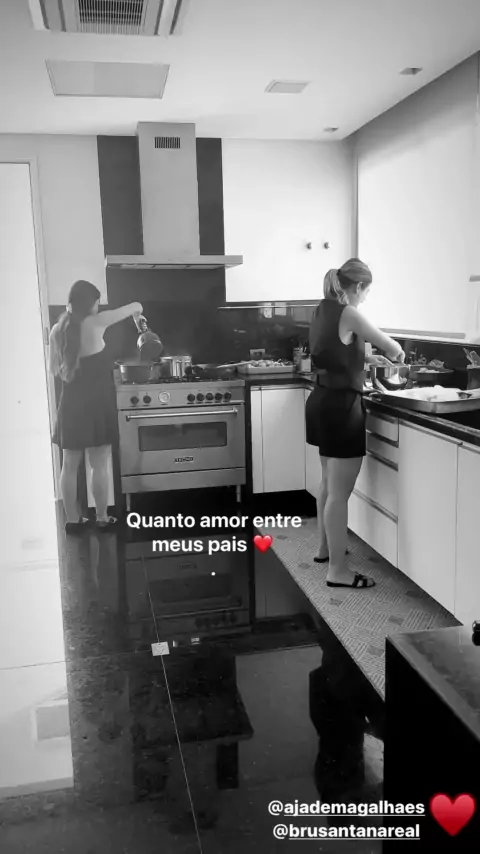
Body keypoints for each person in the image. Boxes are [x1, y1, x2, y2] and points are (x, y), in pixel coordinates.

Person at [305, 259, 405, 589]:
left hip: (321, 401)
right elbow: (392, 346)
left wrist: (364, 358)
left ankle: (324, 549)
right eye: (367, 291)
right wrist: (397, 355)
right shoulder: (349, 312)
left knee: (327, 484)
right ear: (358, 287)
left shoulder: (321, 310)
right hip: (342, 407)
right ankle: (338, 571)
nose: (366, 297)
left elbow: (335, 349)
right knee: (339, 493)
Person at [50, 280, 143, 533]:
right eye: (97, 301)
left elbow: (54, 370)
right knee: (98, 464)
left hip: (70, 405)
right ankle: (102, 517)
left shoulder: (57, 330)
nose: (99, 306)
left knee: (69, 465)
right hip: (97, 406)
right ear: (91, 303)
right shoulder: (96, 322)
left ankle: (72, 521)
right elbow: (133, 305)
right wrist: (138, 312)